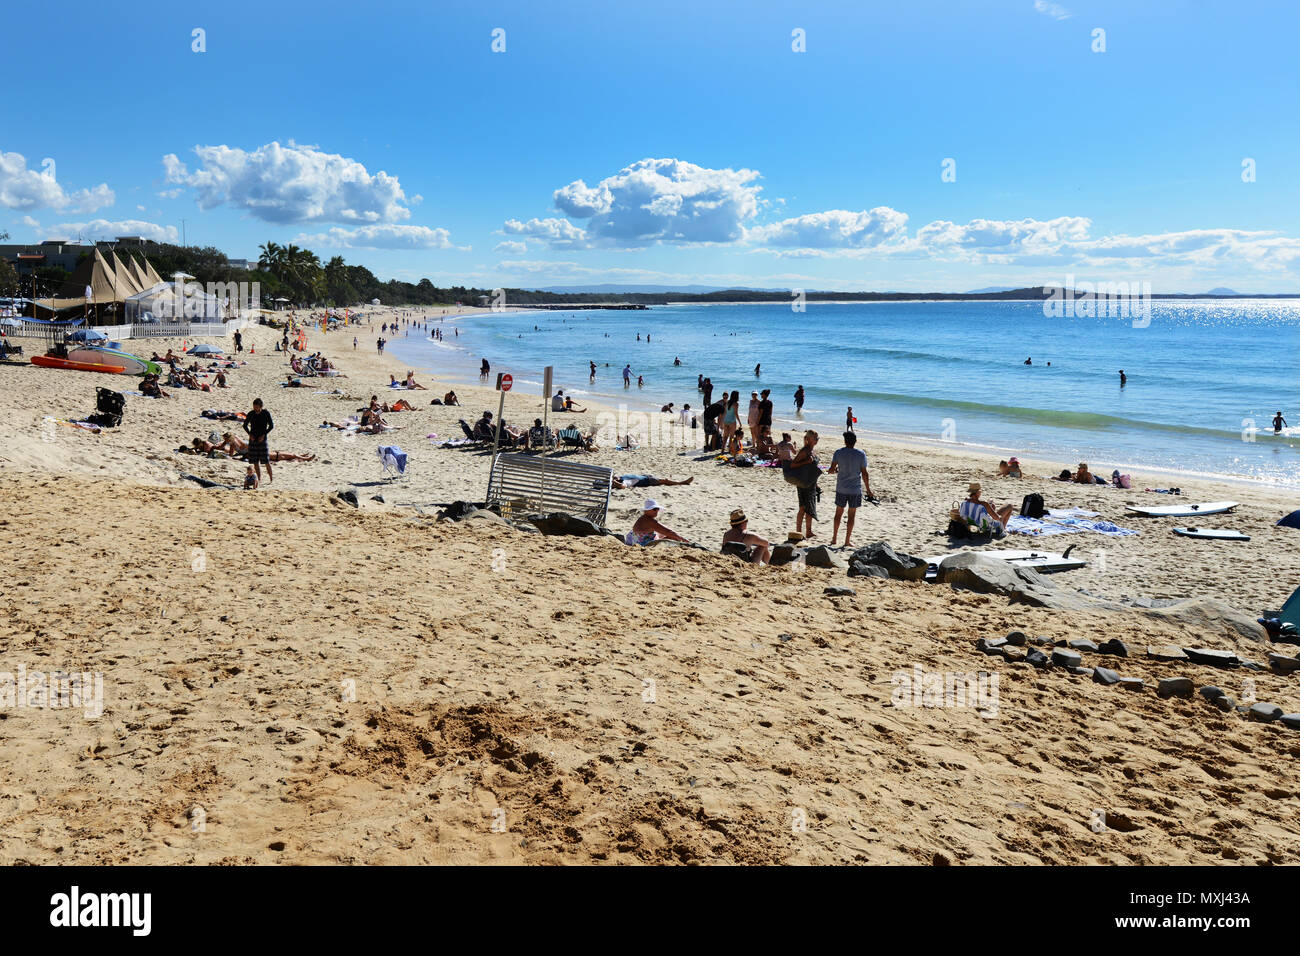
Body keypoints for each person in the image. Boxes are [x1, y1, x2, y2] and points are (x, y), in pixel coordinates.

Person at [828, 431, 872, 547]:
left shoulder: (838, 452)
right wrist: (868, 490)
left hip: (841, 487)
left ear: (845, 441)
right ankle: (847, 541)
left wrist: (836, 470)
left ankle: (834, 538)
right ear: (855, 441)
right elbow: (864, 473)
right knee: (851, 515)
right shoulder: (861, 454)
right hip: (855, 489)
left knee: (838, 513)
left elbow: (831, 470)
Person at [790, 430, 820, 539]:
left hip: (811, 483)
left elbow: (813, 469)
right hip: (803, 483)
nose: (817, 440)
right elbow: (793, 465)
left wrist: (816, 484)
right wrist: (806, 462)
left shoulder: (812, 451)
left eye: (818, 438)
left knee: (810, 508)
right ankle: (798, 531)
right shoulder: (804, 451)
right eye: (815, 438)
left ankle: (808, 531)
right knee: (803, 508)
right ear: (809, 439)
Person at [242, 398, 274, 484]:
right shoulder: (251, 414)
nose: (255, 409)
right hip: (253, 440)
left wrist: (264, 435)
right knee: (255, 461)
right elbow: (245, 425)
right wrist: (249, 434)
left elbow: (271, 426)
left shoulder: (266, 413)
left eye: (256, 407)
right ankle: (259, 479)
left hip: (262, 440)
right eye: (254, 407)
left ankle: (271, 478)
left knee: (266, 461)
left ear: (260, 406)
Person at [613, 474, 694, 489]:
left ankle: (681, 482)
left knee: (664, 481)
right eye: (614, 478)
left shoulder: (622, 477)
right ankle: (682, 483)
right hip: (648, 481)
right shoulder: (625, 481)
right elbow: (622, 486)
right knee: (664, 481)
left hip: (646, 477)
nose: (615, 476)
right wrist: (615, 482)